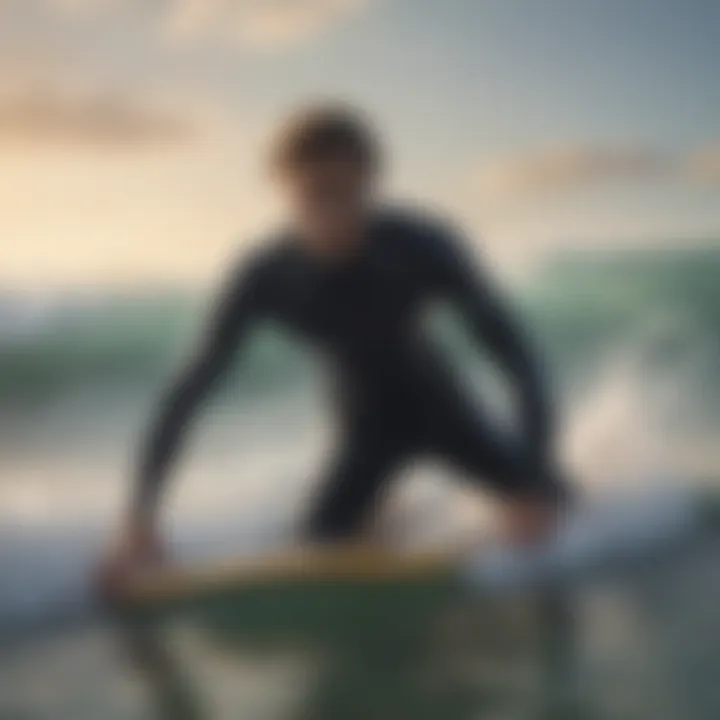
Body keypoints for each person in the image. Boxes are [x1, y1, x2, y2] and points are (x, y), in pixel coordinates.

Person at [101, 104, 570, 590]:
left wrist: (534, 480)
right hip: (364, 431)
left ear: (371, 184)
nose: (330, 211)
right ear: (285, 192)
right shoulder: (265, 276)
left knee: (556, 504)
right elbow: (189, 391)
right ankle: (385, 513)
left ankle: (521, 490)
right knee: (314, 551)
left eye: (344, 192)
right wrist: (140, 519)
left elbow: (515, 356)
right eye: (313, 195)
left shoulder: (422, 246)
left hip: (444, 413)